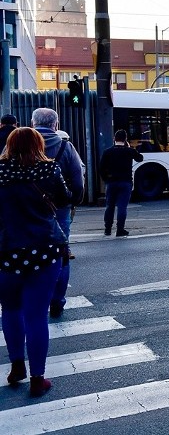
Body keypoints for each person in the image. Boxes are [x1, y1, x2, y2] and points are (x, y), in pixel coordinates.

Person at [0, 127, 72, 397]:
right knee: (36, 315)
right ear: (38, 144)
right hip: (45, 248)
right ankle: (37, 378)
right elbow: (67, 198)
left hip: (6, 251)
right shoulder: (49, 170)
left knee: (10, 310)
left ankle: (17, 365)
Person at [31, 108, 84, 319]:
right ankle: (57, 302)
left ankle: (33, 298)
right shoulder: (65, 146)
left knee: (28, 250)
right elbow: (78, 179)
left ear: (33, 123)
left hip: (25, 208)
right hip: (59, 208)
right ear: (56, 124)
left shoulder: (20, 144)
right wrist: (74, 200)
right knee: (61, 253)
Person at [99, 129, 144, 237]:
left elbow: (101, 168)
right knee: (122, 207)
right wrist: (130, 148)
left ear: (114, 139)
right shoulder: (129, 151)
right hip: (125, 182)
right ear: (125, 139)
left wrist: (106, 179)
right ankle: (120, 230)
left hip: (111, 182)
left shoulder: (108, 151)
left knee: (110, 206)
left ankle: (108, 229)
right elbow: (140, 158)